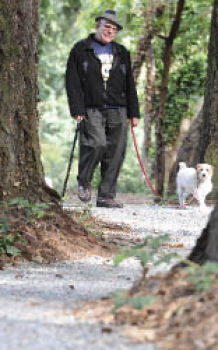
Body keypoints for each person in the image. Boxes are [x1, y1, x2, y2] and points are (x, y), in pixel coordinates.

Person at [65, 9, 140, 208]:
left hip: (118, 108)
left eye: (114, 29)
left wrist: (134, 112)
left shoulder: (121, 52)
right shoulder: (80, 49)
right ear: (98, 25)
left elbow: (129, 83)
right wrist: (77, 109)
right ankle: (84, 182)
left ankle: (106, 195)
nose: (110, 31)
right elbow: (72, 82)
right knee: (96, 143)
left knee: (116, 151)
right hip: (91, 107)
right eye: (107, 26)